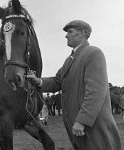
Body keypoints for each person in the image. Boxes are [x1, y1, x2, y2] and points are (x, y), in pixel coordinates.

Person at [27, 20, 121, 150]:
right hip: (78, 126)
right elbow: (57, 81)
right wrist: (38, 81)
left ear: (82, 33)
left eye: (70, 32)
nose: (66, 36)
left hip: (92, 126)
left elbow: (95, 92)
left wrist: (82, 121)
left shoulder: (93, 53)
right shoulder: (70, 59)